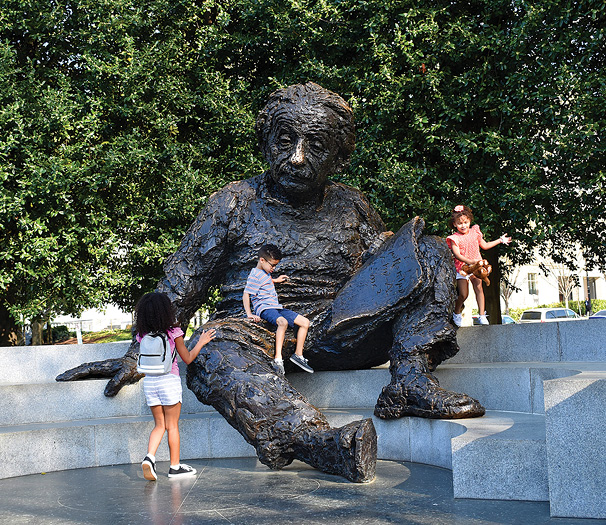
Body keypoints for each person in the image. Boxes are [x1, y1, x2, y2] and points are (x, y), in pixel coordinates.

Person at [58, 83, 486, 483]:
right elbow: (182, 280)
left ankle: (410, 380)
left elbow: (391, 266)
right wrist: (142, 347)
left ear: (338, 158)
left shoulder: (352, 203)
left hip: (340, 327)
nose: (297, 157)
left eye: (315, 145)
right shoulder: (232, 203)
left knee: (428, 249)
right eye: (285, 141)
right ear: (266, 144)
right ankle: (318, 442)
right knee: (210, 352)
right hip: (252, 331)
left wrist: (422, 255)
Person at [135, 292, 216, 481]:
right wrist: (202, 342)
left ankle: (150, 457)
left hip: (150, 382)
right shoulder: (174, 332)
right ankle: (175, 467)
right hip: (169, 381)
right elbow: (187, 358)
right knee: (172, 426)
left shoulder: (141, 335)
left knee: (159, 425)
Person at [243, 244, 313, 374]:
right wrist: (249, 313)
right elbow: (246, 293)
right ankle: (278, 359)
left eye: (275, 266)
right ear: (262, 260)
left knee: (305, 322)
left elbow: (265, 281)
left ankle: (298, 355)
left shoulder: (264, 273)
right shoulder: (254, 274)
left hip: (276, 307)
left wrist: (275, 280)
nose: (274, 268)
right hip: (265, 308)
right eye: (272, 265)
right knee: (283, 322)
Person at [446, 205, 511, 326]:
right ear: (455, 224)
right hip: (462, 268)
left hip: (477, 267)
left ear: (470, 221)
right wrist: (470, 262)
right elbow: (457, 255)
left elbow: (485, 245)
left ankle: (482, 315)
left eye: (466, 222)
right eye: (460, 223)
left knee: (479, 289)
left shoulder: (475, 232)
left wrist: (500, 240)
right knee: (463, 294)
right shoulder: (454, 238)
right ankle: (456, 312)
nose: (463, 225)